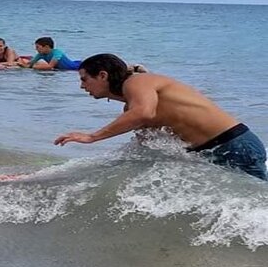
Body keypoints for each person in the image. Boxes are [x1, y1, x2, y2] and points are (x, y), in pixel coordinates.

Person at [54, 53, 267, 180]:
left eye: (84, 80)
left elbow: (145, 112)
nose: (82, 86)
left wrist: (92, 137)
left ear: (102, 75)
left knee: (260, 203)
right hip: (208, 153)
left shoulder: (137, 82)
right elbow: (144, 151)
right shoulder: (132, 109)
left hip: (235, 144)